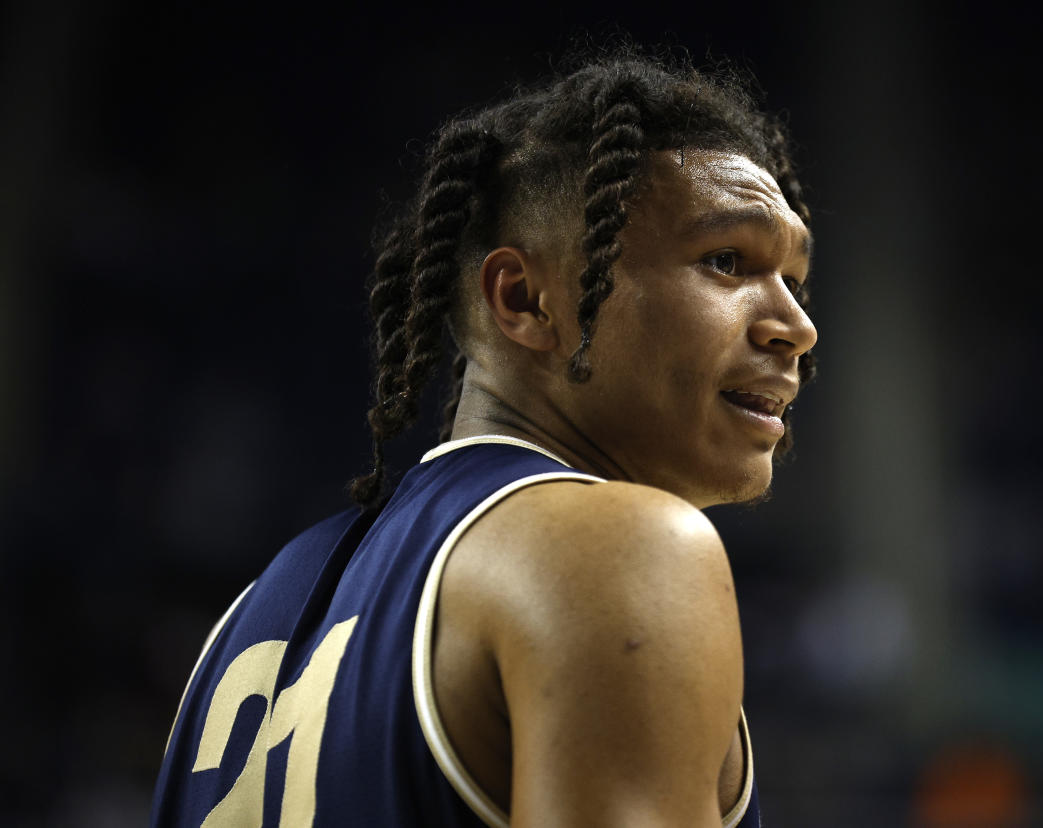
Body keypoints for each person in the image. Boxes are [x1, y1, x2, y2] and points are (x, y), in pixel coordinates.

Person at [151, 47, 817, 828]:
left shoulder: (249, 618)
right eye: (727, 261)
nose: (796, 328)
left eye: (793, 281)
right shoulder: (623, 549)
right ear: (525, 298)